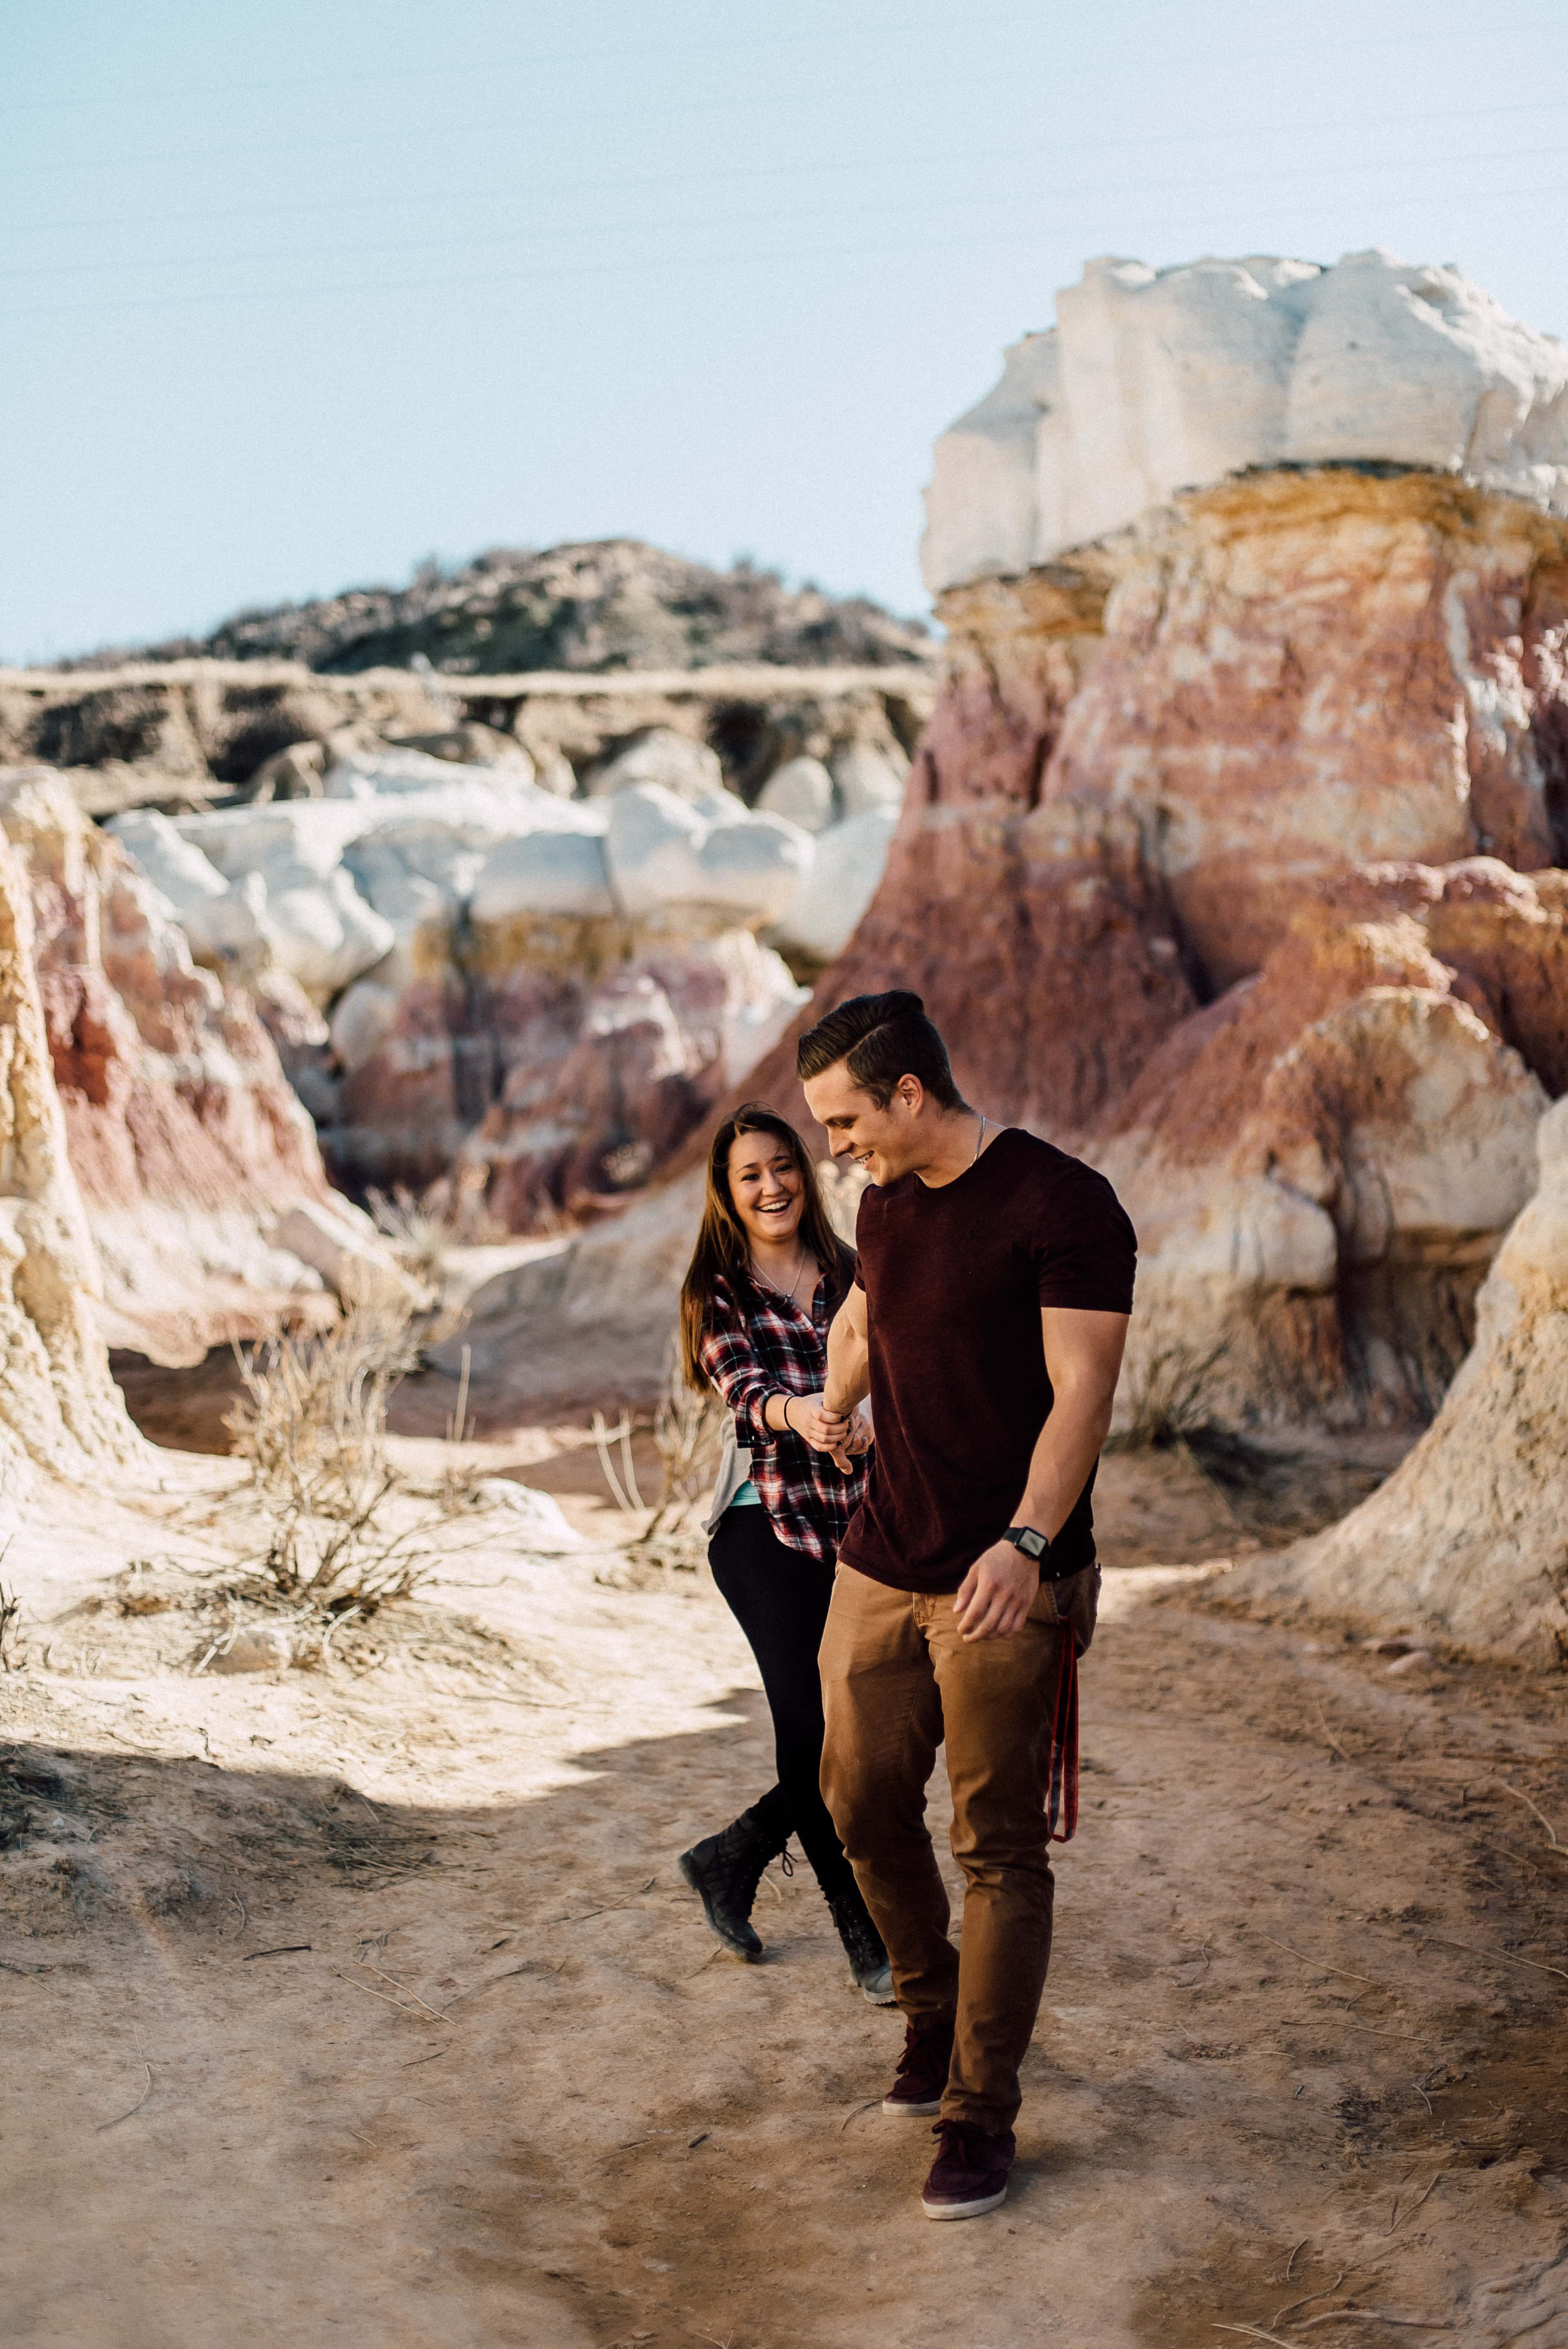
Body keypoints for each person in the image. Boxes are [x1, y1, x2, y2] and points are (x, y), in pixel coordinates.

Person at [796, 991, 1135, 2222]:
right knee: (855, 1801)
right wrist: (841, 1394)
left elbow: (1082, 1392)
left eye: (845, 1122)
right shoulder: (884, 1201)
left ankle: (979, 2115)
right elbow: (871, 1305)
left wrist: (1029, 1543)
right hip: (885, 1555)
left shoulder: (1064, 1205)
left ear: (909, 1095)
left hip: (1008, 1574)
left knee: (997, 1849)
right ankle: (930, 2017)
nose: (836, 1149)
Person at [675, 1101, 894, 2005]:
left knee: (861, 1733)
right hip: (760, 1526)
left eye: (782, 1166)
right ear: (728, 1193)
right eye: (749, 1175)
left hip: (857, 1523)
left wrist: (874, 1419)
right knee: (809, 1732)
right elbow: (747, 1386)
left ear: (805, 1172)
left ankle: (728, 1858)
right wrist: (802, 1412)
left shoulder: (852, 1269)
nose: (771, 1185)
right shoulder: (718, 1289)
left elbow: (900, 1367)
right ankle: (865, 1936)